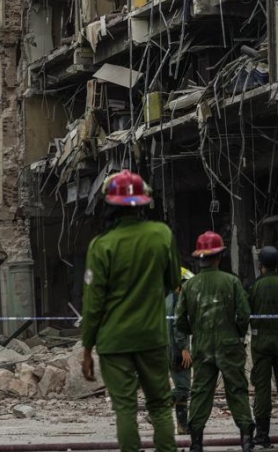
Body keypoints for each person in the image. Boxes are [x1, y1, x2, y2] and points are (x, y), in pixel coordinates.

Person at [80, 169, 180, 452]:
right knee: (160, 405)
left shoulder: (101, 246)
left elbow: (93, 304)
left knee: (125, 409)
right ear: (144, 202)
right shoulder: (162, 235)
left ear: (110, 205)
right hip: (151, 337)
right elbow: (173, 282)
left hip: (114, 342)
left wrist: (87, 348)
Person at [175, 230, 254, 452]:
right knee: (237, 390)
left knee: (200, 392)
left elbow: (179, 322)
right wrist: (237, 333)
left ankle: (196, 442)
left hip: (202, 347)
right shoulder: (232, 282)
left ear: (199, 258)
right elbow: (244, 314)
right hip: (230, 345)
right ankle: (247, 440)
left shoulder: (189, 286)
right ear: (220, 256)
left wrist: (197, 331)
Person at [248, 245, 278, 447]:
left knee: (263, 390)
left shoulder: (254, 287)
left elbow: (245, 313)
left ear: (261, 266)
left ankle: (262, 435)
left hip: (261, 345)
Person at [167, 267, 194, 434]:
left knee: (182, 390)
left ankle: (182, 426)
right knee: (183, 388)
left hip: (169, 350)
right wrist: (184, 348)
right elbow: (178, 326)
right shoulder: (178, 300)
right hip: (178, 350)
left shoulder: (168, 299)